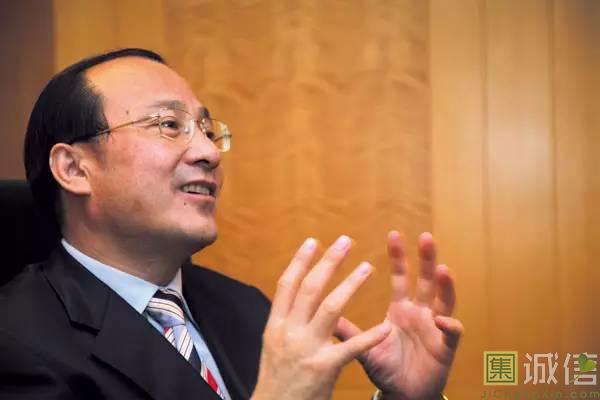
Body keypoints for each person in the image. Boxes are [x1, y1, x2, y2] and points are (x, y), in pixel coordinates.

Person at [0, 48, 463, 400]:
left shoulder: (245, 308)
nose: (208, 152)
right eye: (168, 125)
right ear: (74, 169)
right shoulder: (17, 342)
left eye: (207, 129)